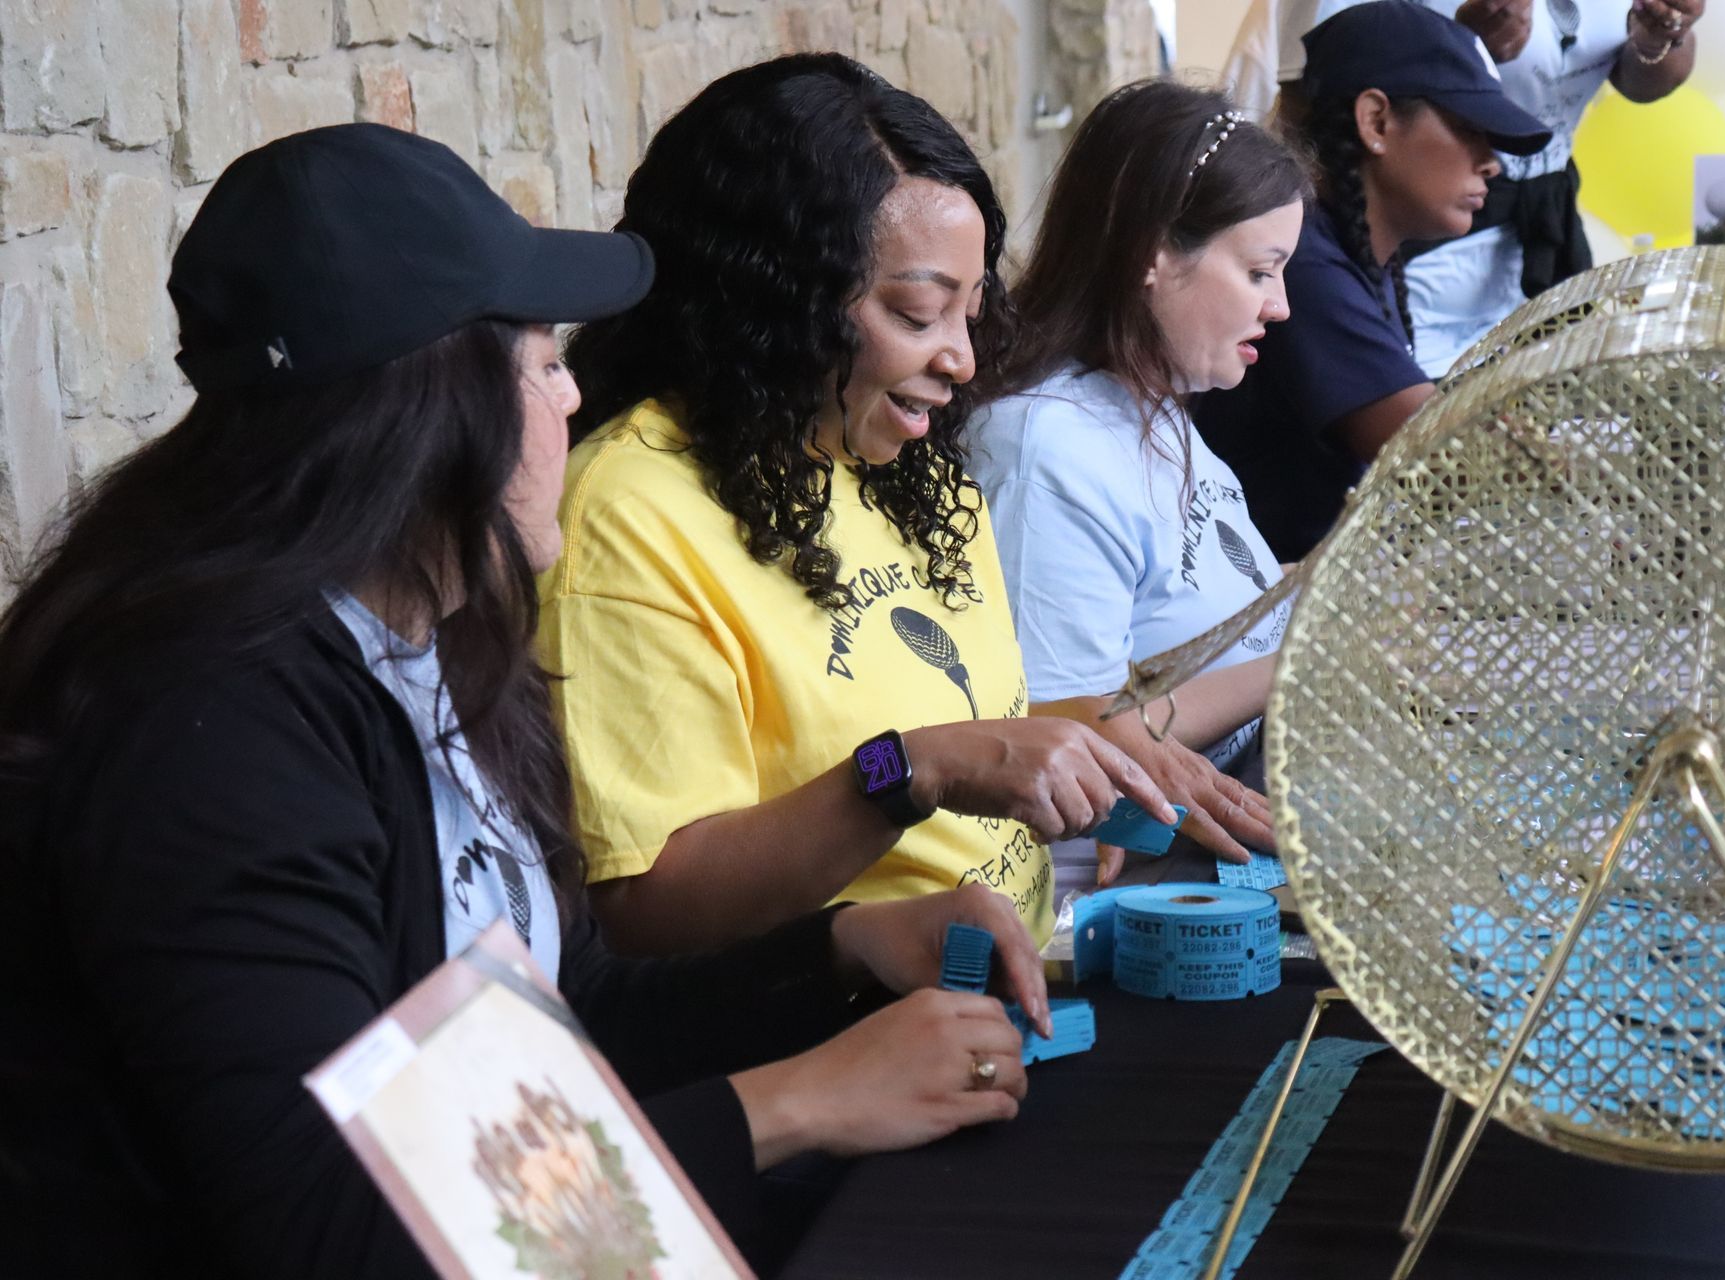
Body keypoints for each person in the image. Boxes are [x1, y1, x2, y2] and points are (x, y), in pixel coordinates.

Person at [0, 123, 1060, 1279]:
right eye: (544, 361)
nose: (571, 400)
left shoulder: (424, 639)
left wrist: (842, 949)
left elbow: (551, 1010)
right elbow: (330, 1222)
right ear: (429, 414)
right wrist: (793, 1103)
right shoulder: (205, 729)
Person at [545, 54, 1173, 957]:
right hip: (837, 1042)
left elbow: (963, 721)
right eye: (918, 315)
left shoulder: (902, 463)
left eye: (973, 309)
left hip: (1010, 995)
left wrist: (1102, 747)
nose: (961, 358)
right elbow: (651, 903)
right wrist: (908, 772)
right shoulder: (625, 516)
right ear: (775, 299)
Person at [966, 82, 1312, 891]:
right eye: (1261, 270)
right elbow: (1066, 724)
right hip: (1134, 883)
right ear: (1154, 254)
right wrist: (1306, 655)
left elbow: (1195, 620)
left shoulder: (1147, 405)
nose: (1282, 305)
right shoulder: (1046, 445)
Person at [1191, 1, 1553, 563]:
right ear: (1377, 122)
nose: (1493, 162)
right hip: (1263, 619)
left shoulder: (1350, 249)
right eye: (1469, 129)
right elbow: (1457, 465)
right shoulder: (1302, 263)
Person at [1254, 0, 1704, 376]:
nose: (1492, 159)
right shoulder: (1323, 271)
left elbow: (1640, 78)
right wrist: (1461, 53)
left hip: (1542, 222)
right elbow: (1311, 106)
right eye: (1471, 128)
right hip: (1407, 233)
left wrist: (1656, 36)